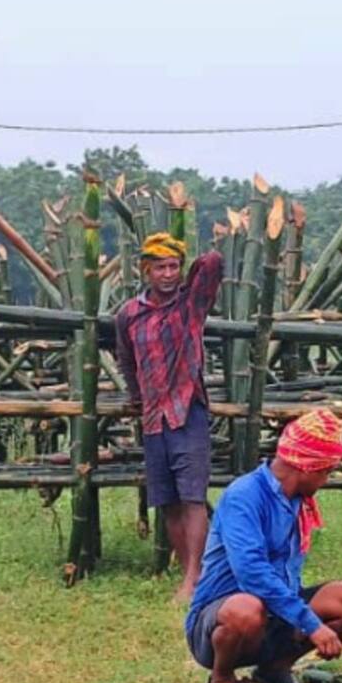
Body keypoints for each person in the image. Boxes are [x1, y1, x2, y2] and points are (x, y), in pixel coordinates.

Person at [185, 408, 342, 683]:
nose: (325, 480)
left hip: (275, 612)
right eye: (325, 472)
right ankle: (221, 678)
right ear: (306, 468)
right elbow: (252, 574)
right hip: (223, 617)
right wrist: (313, 625)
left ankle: (274, 670)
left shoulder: (297, 500)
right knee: (246, 609)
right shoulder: (244, 496)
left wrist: (322, 626)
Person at [114, 230, 226, 601]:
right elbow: (126, 361)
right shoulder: (129, 314)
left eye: (173, 266)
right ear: (145, 270)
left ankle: (195, 577)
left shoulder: (190, 304)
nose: (167, 274)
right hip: (153, 417)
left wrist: (192, 249)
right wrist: (135, 397)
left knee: (193, 496)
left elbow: (212, 264)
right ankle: (188, 573)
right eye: (159, 267)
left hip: (186, 410)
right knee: (167, 500)